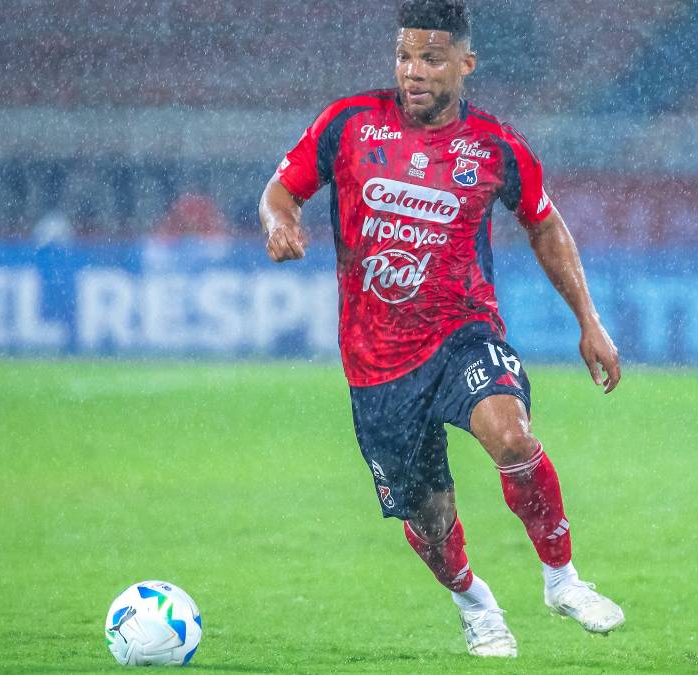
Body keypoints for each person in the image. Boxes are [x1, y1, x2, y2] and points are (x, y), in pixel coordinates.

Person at [258, 0, 624, 658]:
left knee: (511, 434)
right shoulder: (348, 123)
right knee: (432, 520)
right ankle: (475, 603)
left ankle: (563, 580)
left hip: (462, 333)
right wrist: (280, 223)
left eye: (430, 58)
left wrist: (588, 322)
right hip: (376, 363)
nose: (413, 71)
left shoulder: (494, 146)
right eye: (405, 56)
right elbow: (280, 190)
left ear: (465, 63)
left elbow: (544, 224)